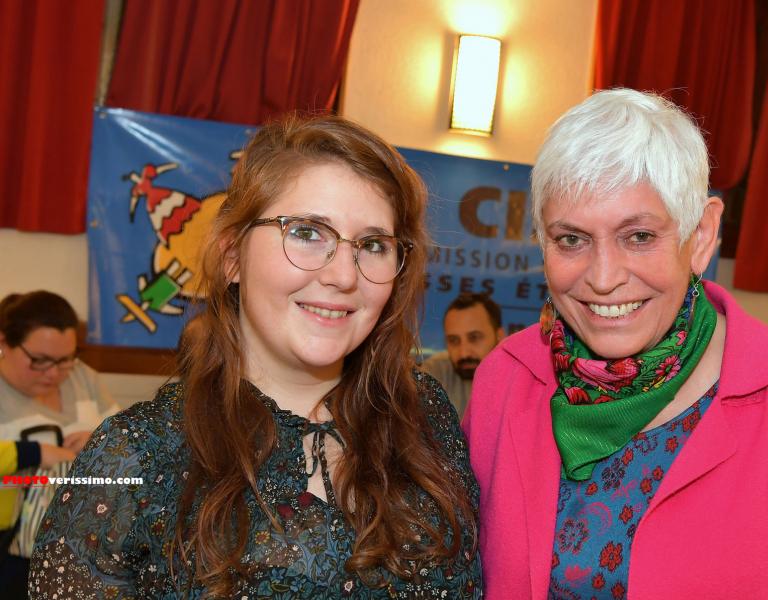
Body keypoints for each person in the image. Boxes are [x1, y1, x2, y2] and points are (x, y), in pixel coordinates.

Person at [463, 89, 768, 599]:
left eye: (639, 237)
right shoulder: (506, 380)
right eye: (572, 239)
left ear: (702, 235)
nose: (603, 278)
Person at [30, 115, 482, 598]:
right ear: (232, 257)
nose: (344, 275)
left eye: (372, 244)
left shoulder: (423, 416)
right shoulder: (135, 454)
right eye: (307, 232)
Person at [0, 291, 118, 599]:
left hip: (88, 549)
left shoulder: (83, 377)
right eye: (39, 360)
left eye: (65, 359)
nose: (54, 373)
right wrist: (38, 458)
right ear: (4, 343)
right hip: (13, 557)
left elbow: (126, 444)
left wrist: (98, 440)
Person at [422, 293, 505, 416]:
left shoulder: (522, 380)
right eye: (454, 340)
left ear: (499, 336)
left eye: (474, 338)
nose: (464, 353)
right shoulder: (436, 371)